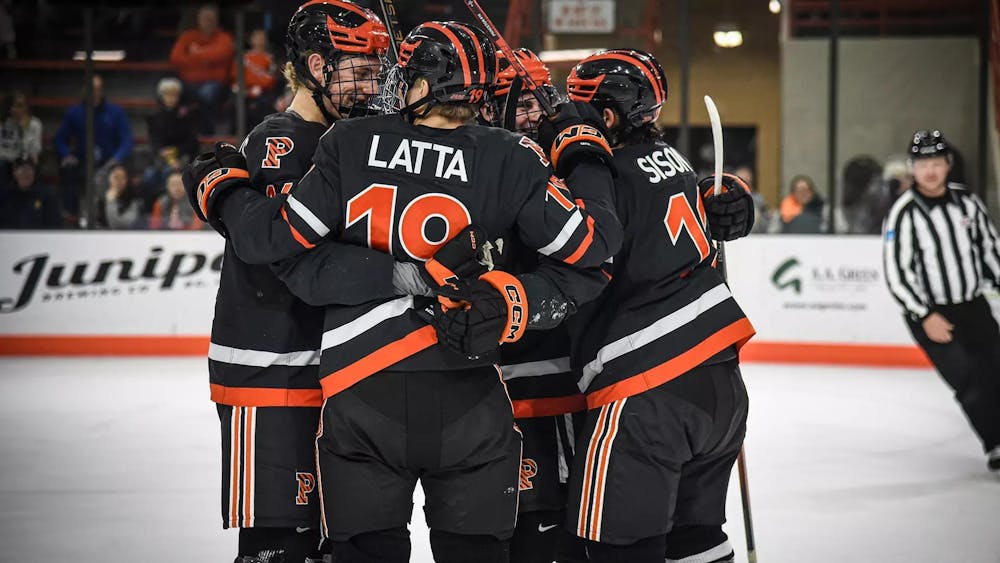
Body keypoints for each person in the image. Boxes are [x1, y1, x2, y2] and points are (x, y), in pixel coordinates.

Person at [185, 20, 622, 563]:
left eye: (395, 75)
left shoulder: (348, 141)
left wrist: (221, 190)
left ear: (422, 85)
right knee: (479, 551)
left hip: (359, 388)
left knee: (354, 550)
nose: (382, 85)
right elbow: (596, 248)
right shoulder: (511, 155)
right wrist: (585, 153)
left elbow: (281, 248)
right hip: (472, 389)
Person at [182, 3, 418, 562]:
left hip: (331, 370)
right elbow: (282, 253)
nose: (373, 86)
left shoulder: (352, 142)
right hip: (269, 374)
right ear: (316, 66)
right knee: (277, 547)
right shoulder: (280, 142)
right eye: (360, 71)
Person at [564, 49, 756, 563]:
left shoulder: (604, 178)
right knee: (694, 538)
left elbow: (583, 245)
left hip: (646, 392)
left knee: (614, 548)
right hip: (720, 383)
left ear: (605, 117)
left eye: (578, 107)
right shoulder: (677, 163)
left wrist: (576, 161)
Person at [883, 129, 1000, 473]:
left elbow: (990, 252)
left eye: (936, 162)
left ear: (948, 165)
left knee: (995, 370)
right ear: (912, 168)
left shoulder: (968, 204)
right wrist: (924, 315)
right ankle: (995, 443)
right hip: (932, 313)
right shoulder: (903, 213)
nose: (930, 170)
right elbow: (897, 273)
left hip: (973, 304)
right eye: (923, 163)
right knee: (968, 379)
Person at [54, 74, 134, 218]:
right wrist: (67, 155)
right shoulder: (74, 112)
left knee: (118, 174)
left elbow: (127, 140)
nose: (94, 92)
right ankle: (71, 215)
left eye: (97, 88)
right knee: (68, 171)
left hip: (109, 162)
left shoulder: (115, 112)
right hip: (82, 162)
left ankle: (110, 216)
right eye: (91, 88)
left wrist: (116, 158)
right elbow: (60, 139)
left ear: (102, 90)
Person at [169, 3, 235, 134]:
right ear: (198, 20)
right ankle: (174, 131)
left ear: (216, 21)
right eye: (205, 19)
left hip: (214, 83)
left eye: (211, 19)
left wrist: (195, 54)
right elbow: (175, 57)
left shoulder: (224, 38)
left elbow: (221, 54)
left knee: (206, 94)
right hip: (188, 82)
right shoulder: (188, 36)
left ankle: (206, 131)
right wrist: (205, 57)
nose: (208, 22)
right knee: (168, 89)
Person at [147, 77, 201, 167]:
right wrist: (161, 151)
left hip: (184, 155)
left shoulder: (188, 115)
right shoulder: (155, 116)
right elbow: (154, 139)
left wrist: (176, 151)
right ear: (161, 96)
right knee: (150, 174)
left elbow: (192, 141)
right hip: (162, 156)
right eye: (167, 94)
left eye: (174, 94)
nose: (171, 98)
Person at [0, 156, 62, 228]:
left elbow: (54, 225)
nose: (25, 173)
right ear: (14, 173)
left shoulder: (46, 196)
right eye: (21, 169)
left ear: (34, 173)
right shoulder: (5, 196)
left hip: (38, 238)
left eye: (29, 169)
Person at [234, 29, 277, 131]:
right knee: (237, 103)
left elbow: (270, 79)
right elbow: (235, 76)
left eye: (262, 38)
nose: (260, 40)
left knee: (264, 103)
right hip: (244, 90)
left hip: (263, 92)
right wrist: (246, 90)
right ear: (251, 40)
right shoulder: (244, 58)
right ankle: (237, 132)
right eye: (257, 37)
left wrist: (258, 88)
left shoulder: (270, 58)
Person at [0, 92, 43, 187]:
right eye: (16, 106)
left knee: (24, 168)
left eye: (23, 106)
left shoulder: (34, 124)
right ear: (9, 108)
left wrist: (24, 130)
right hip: (5, 161)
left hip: (24, 161)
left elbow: (35, 150)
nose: (20, 110)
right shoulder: (2, 123)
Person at [96, 163, 142, 229]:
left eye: (123, 177)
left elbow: (120, 225)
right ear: (109, 179)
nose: (119, 181)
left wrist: (111, 202)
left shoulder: (133, 200)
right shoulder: (100, 200)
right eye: (116, 177)